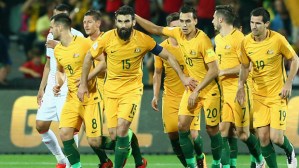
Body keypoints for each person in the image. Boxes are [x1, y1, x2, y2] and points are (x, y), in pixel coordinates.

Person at [77, 5, 196, 168]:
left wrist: (182, 76)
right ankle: (131, 150)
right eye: (120, 21)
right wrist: (83, 84)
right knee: (114, 135)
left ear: (133, 22)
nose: (123, 25)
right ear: (115, 22)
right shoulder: (107, 38)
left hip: (131, 90)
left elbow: (167, 55)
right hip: (111, 91)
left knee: (122, 128)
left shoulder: (144, 40)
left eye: (127, 21)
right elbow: (89, 57)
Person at [135, 5, 223, 168]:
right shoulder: (177, 34)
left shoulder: (202, 40)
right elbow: (155, 28)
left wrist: (197, 91)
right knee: (182, 127)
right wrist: (135, 17)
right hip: (190, 91)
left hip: (209, 90)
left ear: (195, 21)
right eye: (181, 21)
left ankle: (217, 163)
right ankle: (192, 165)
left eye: (187, 21)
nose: (183, 25)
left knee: (212, 130)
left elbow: (214, 70)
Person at [236, 7, 298, 168]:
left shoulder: (278, 40)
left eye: (258, 23)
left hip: (278, 95)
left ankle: (290, 151)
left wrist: (288, 82)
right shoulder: (246, 42)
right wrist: (240, 86)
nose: (254, 26)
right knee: (263, 138)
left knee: (276, 138)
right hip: (259, 96)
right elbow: (244, 66)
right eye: (251, 22)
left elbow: (295, 60)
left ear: (267, 24)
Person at [50, 13, 111, 168]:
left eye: (51, 28)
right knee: (64, 133)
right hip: (72, 98)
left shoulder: (84, 43)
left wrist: (86, 79)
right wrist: (59, 83)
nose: (50, 31)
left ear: (59, 27)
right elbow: (62, 71)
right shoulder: (58, 50)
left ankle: (123, 143)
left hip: (91, 97)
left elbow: (103, 63)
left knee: (94, 141)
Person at [212, 5, 265, 168]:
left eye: (214, 17)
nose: (212, 20)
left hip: (239, 91)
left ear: (221, 19)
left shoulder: (239, 39)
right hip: (224, 92)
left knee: (243, 134)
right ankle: (227, 165)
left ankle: (260, 160)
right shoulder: (219, 39)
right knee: (223, 131)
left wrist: (223, 72)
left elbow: (247, 67)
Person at [35, 4, 84, 168]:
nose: (55, 24)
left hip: (68, 85)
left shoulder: (78, 36)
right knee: (40, 125)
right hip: (52, 85)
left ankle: (72, 164)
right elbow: (49, 65)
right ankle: (61, 159)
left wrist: (58, 45)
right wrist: (42, 88)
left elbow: (81, 61)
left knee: (69, 129)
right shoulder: (50, 35)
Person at [151, 12, 200, 167]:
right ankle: (187, 164)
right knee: (173, 135)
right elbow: (157, 74)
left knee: (192, 134)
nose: (179, 30)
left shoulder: (191, 43)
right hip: (170, 97)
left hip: (190, 95)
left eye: (180, 26)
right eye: (174, 28)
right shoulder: (161, 49)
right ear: (167, 29)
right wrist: (155, 95)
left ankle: (200, 157)